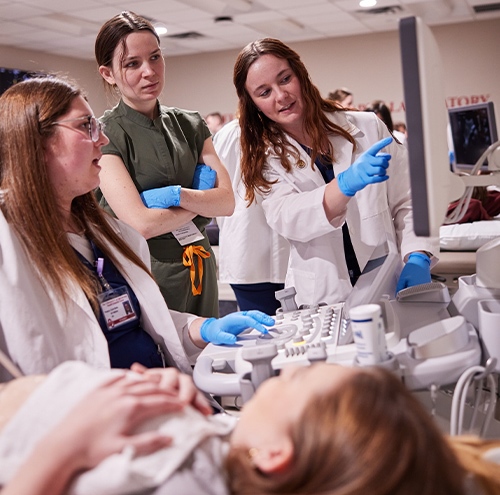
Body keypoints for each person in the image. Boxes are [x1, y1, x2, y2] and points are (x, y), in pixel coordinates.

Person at [0, 75, 273, 379]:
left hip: (153, 394)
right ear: (36, 143)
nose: (102, 140)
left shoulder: (107, 232)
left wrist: (202, 327)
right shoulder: (7, 240)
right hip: (91, 415)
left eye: (97, 127)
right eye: (85, 126)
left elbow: (140, 319)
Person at [2, 361, 500, 495]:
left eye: (296, 379)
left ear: (275, 454)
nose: (285, 373)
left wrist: (63, 448)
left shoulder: (184, 489)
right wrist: (188, 404)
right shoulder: (245, 455)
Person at [232, 38, 438, 307]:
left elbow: (409, 200)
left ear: (300, 74)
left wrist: (418, 255)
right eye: (264, 92)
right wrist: (344, 185)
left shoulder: (367, 127)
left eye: (285, 79)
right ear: (253, 103)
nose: (281, 96)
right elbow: (288, 218)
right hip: (323, 297)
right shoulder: (263, 157)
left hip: (389, 282)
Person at [95, 11, 235, 317]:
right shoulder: (105, 135)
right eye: (132, 63)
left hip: (200, 262)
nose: (149, 71)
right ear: (108, 74)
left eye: (155, 57)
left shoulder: (190, 123)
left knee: (208, 355)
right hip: (147, 269)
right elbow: (141, 225)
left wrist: (176, 197)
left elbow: (226, 202)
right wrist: (200, 199)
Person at [213, 119, 290, 316]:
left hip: (254, 250)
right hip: (249, 250)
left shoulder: (227, 133)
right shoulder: (230, 134)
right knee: (263, 330)